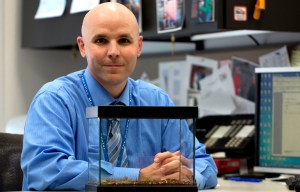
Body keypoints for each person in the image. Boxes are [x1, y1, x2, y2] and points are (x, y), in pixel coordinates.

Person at [21, 2, 218, 191]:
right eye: (101, 40)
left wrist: (187, 177)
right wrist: (137, 177)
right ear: (82, 47)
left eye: (124, 40)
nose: (113, 52)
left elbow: (203, 164)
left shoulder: (156, 100)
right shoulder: (55, 99)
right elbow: (45, 169)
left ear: (139, 46)